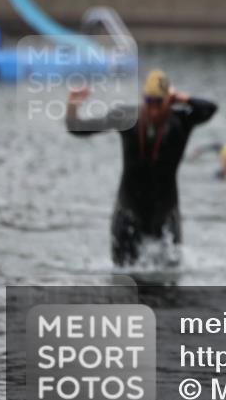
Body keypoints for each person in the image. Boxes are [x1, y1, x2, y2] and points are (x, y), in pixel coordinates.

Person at [66, 69, 217, 266]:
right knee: (123, 281)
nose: (153, 109)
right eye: (149, 102)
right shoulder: (127, 117)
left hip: (166, 215)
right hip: (128, 213)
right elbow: (76, 128)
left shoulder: (181, 121)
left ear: (169, 100)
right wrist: (73, 104)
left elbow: (210, 109)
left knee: (170, 285)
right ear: (143, 99)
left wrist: (182, 97)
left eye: (159, 103)